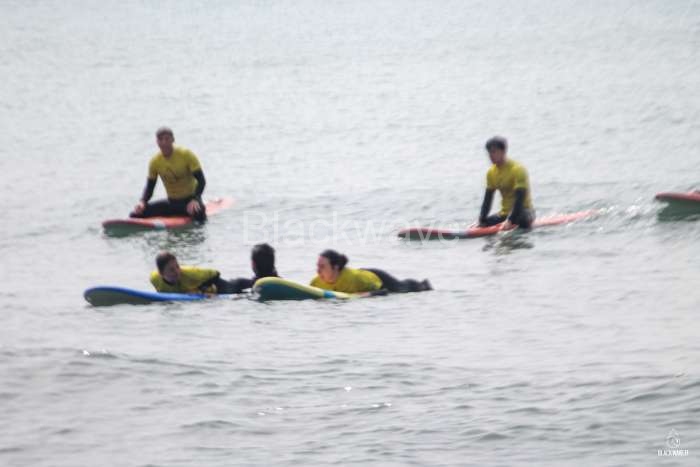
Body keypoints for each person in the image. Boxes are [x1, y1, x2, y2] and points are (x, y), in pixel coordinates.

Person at [131, 127, 207, 222]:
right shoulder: (155, 162)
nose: (164, 143)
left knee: (199, 213)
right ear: (157, 142)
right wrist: (142, 202)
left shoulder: (186, 155)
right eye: (160, 139)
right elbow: (150, 187)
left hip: (190, 201)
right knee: (136, 214)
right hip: (172, 203)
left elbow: (201, 181)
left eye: (167, 139)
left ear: (173, 140)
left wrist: (195, 199)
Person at [310, 249, 431, 294]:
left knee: (401, 288)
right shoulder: (316, 282)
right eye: (317, 266)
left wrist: (365, 295)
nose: (318, 271)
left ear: (336, 267)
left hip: (376, 278)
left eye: (322, 267)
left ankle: (423, 285)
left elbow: (382, 291)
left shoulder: (353, 281)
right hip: (360, 274)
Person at [478, 136, 535, 230]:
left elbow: (520, 199)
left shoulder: (518, 169)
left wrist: (511, 221)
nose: (491, 156)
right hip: (505, 214)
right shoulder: (491, 173)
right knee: (485, 222)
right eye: (489, 152)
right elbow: (487, 200)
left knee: (521, 217)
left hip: (524, 212)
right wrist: (482, 220)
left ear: (503, 151)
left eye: (494, 152)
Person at [150, 252, 240, 294]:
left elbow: (216, 273)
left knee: (239, 290)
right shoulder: (154, 279)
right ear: (161, 273)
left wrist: (200, 288)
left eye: (177, 266)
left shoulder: (190, 273)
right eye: (171, 270)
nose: (177, 271)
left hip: (219, 287)